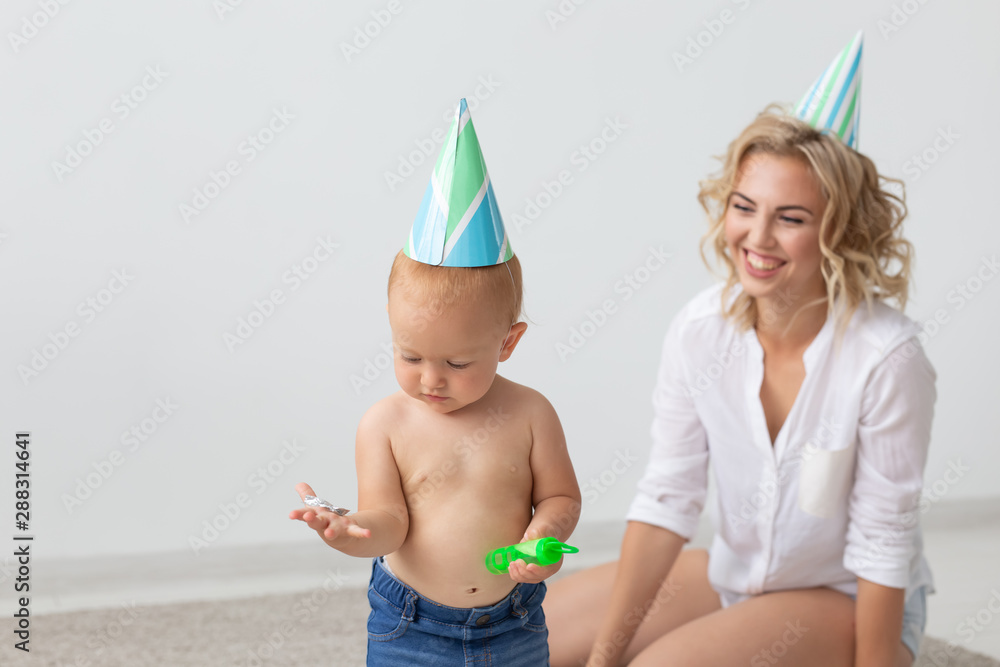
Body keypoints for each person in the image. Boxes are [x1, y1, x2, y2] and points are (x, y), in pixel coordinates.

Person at [546, 34, 935, 667]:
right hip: (739, 574)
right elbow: (668, 496)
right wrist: (602, 657)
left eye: (791, 217)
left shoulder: (886, 358)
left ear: (838, 228)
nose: (757, 237)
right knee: (514, 644)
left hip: (845, 596)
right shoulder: (700, 332)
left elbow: (883, 540)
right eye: (743, 207)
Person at [290, 99, 580, 665]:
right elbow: (390, 523)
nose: (430, 380)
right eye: (410, 355)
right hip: (411, 626)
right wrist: (350, 532)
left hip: (513, 622)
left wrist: (541, 541)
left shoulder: (530, 414)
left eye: (456, 363)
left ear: (507, 343)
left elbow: (560, 497)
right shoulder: (386, 424)